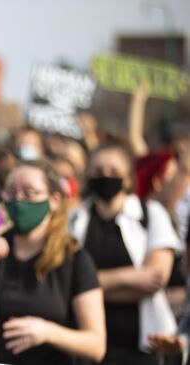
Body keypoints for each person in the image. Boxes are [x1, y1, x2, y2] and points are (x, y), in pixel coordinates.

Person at [0, 161, 105, 364]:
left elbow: (96, 346)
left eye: (29, 193)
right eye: (11, 192)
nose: (18, 200)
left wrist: (47, 332)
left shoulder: (75, 260)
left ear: (54, 200)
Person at [70, 143, 182, 365]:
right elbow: (67, 282)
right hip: (90, 349)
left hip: (144, 347)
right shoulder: (75, 220)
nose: (105, 177)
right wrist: (128, 277)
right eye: (98, 171)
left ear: (128, 178)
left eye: (113, 171)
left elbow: (155, 279)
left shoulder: (151, 214)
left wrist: (88, 289)